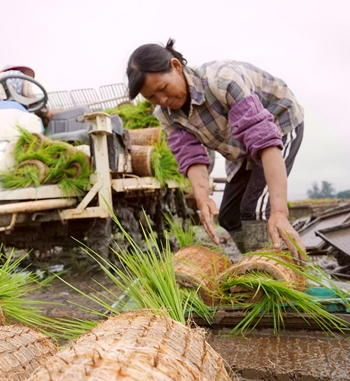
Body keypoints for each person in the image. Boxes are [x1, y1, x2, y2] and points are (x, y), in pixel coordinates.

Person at [126, 39, 306, 256]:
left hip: (279, 124)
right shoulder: (165, 115)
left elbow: (264, 141)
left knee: (256, 211)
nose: (162, 99)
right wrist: (202, 199)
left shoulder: (222, 80)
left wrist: (279, 211)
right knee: (229, 216)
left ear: (176, 66)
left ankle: (277, 270)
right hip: (240, 146)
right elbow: (191, 157)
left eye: (163, 88)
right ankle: (256, 260)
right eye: (152, 97)